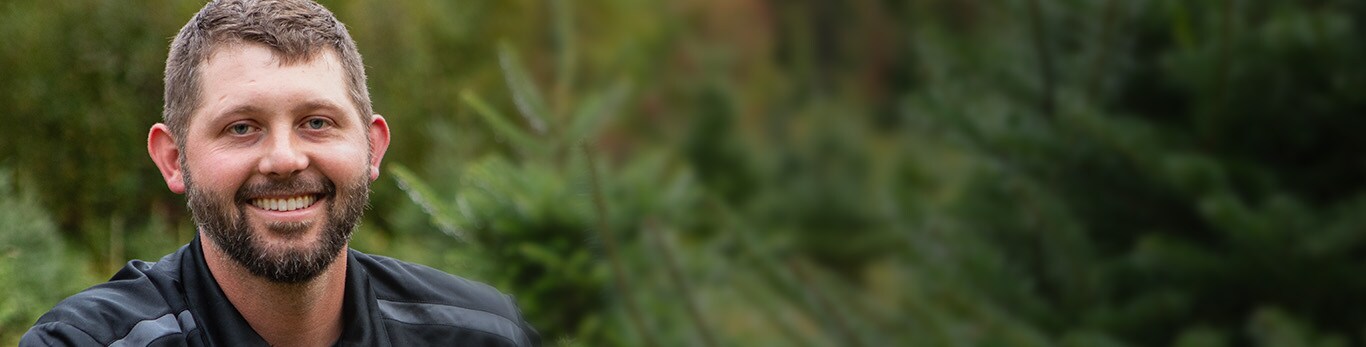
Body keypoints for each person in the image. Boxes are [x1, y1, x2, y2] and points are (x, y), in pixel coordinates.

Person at [20, 0, 539, 346]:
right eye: (242, 128)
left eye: (317, 122)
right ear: (173, 160)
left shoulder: (484, 333)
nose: (286, 159)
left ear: (372, 147)